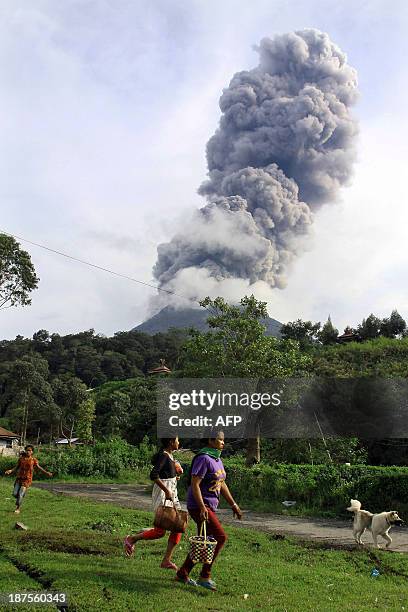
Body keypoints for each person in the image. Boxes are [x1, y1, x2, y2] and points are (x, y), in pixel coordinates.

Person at [176, 430, 242, 591]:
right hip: (199, 506)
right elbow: (195, 484)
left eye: (223, 440)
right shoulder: (203, 458)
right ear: (211, 440)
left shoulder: (217, 459)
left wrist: (233, 504)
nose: (223, 442)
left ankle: (183, 573)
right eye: (220, 440)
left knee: (204, 541)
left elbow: (222, 483)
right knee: (220, 537)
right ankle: (205, 575)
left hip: (209, 506)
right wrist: (201, 507)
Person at [123, 437, 183, 570]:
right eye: (177, 440)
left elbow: (165, 475)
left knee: (178, 527)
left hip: (172, 494)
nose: (179, 443)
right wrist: (166, 490)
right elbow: (154, 475)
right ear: (171, 442)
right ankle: (132, 539)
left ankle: (166, 560)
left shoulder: (170, 456)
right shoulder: (163, 456)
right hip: (163, 496)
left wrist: (175, 476)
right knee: (160, 532)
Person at [4, 444, 53, 514]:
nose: (28, 452)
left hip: (27, 479)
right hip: (19, 478)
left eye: (30, 450)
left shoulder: (33, 460)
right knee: (15, 494)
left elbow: (39, 467)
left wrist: (46, 472)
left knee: (20, 494)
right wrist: (10, 471)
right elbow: (16, 467)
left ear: (32, 452)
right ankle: (21, 496)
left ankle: (18, 508)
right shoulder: (21, 459)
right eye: (27, 450)